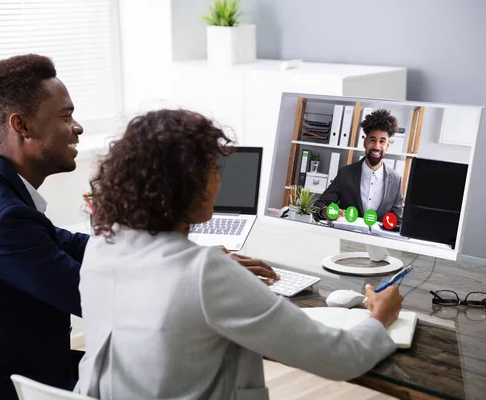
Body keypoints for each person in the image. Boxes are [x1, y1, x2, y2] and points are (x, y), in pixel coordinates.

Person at [0, 54, 277, 400]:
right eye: (66, 116)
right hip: (1, 386)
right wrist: (194, 271)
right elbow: (100, 297)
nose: (78, 127)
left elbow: (70, 244)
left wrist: (182, 258)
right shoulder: (1, 220)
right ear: (21, 125)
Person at [75, 109, 404, 399]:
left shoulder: (101, 248)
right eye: (213, 168)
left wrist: (211, 269)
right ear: (193, 183)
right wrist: (380, 316)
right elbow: (340, 357)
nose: (219, 178)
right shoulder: (206, 273)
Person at [314, 109, 403, 222]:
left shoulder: (396, 180)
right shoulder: (345, 173)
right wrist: (325, 212)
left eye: (382, 141)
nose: (376, 146)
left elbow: (399, 222)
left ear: (387, 145)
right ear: (365, 142)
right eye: (372, 140)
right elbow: (319, 205)